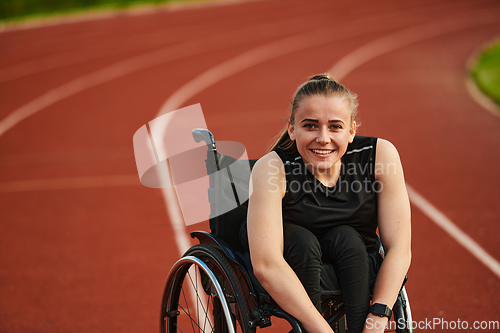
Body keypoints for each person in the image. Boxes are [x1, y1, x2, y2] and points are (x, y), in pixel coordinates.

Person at [241, 74, 411, 333]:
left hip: (349, 253)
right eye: (310, 126)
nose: (323, 138)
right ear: (292, 129)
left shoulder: (380, 156)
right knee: (303, 242)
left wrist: (377, 317)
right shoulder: (272, 169)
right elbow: (266, 264)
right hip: (292, 253)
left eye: (335, 126)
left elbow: (399, 248)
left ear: (352, 130)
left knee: (348, 238)